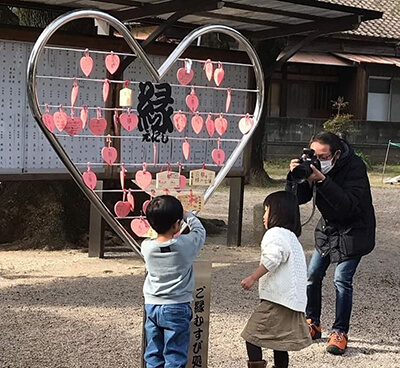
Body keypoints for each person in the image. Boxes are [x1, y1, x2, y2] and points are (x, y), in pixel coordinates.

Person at [286, 131, 376, 355]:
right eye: (314, 155)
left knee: (341, 279)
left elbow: (348, 205)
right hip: (328, 229)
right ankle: (312, 322)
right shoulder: (313, 165)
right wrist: (295, 176)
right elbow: (298, 199)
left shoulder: (355, 167)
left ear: (336, 154)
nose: (319, 160)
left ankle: (340, 332)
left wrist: (323, 180)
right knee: (312, 274)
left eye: (323, 156)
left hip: (355, 230)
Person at [241, 191, 311, 368]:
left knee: (252, 335)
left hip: (278, 299)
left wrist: (253, 277)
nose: (264, 216)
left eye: (266, 210)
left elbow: (272, 258)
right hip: (293, 300)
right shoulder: (292, 237)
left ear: (277, 212)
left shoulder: (275, 233)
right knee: (280, 342)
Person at [141, 195, 206, 368]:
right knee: (175, 353)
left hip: (152, 305)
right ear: (177, 224)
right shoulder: (186, 245)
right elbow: (200, 231)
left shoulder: (146, 247)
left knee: (153, 351)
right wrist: (187, 215)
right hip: (177, 305)